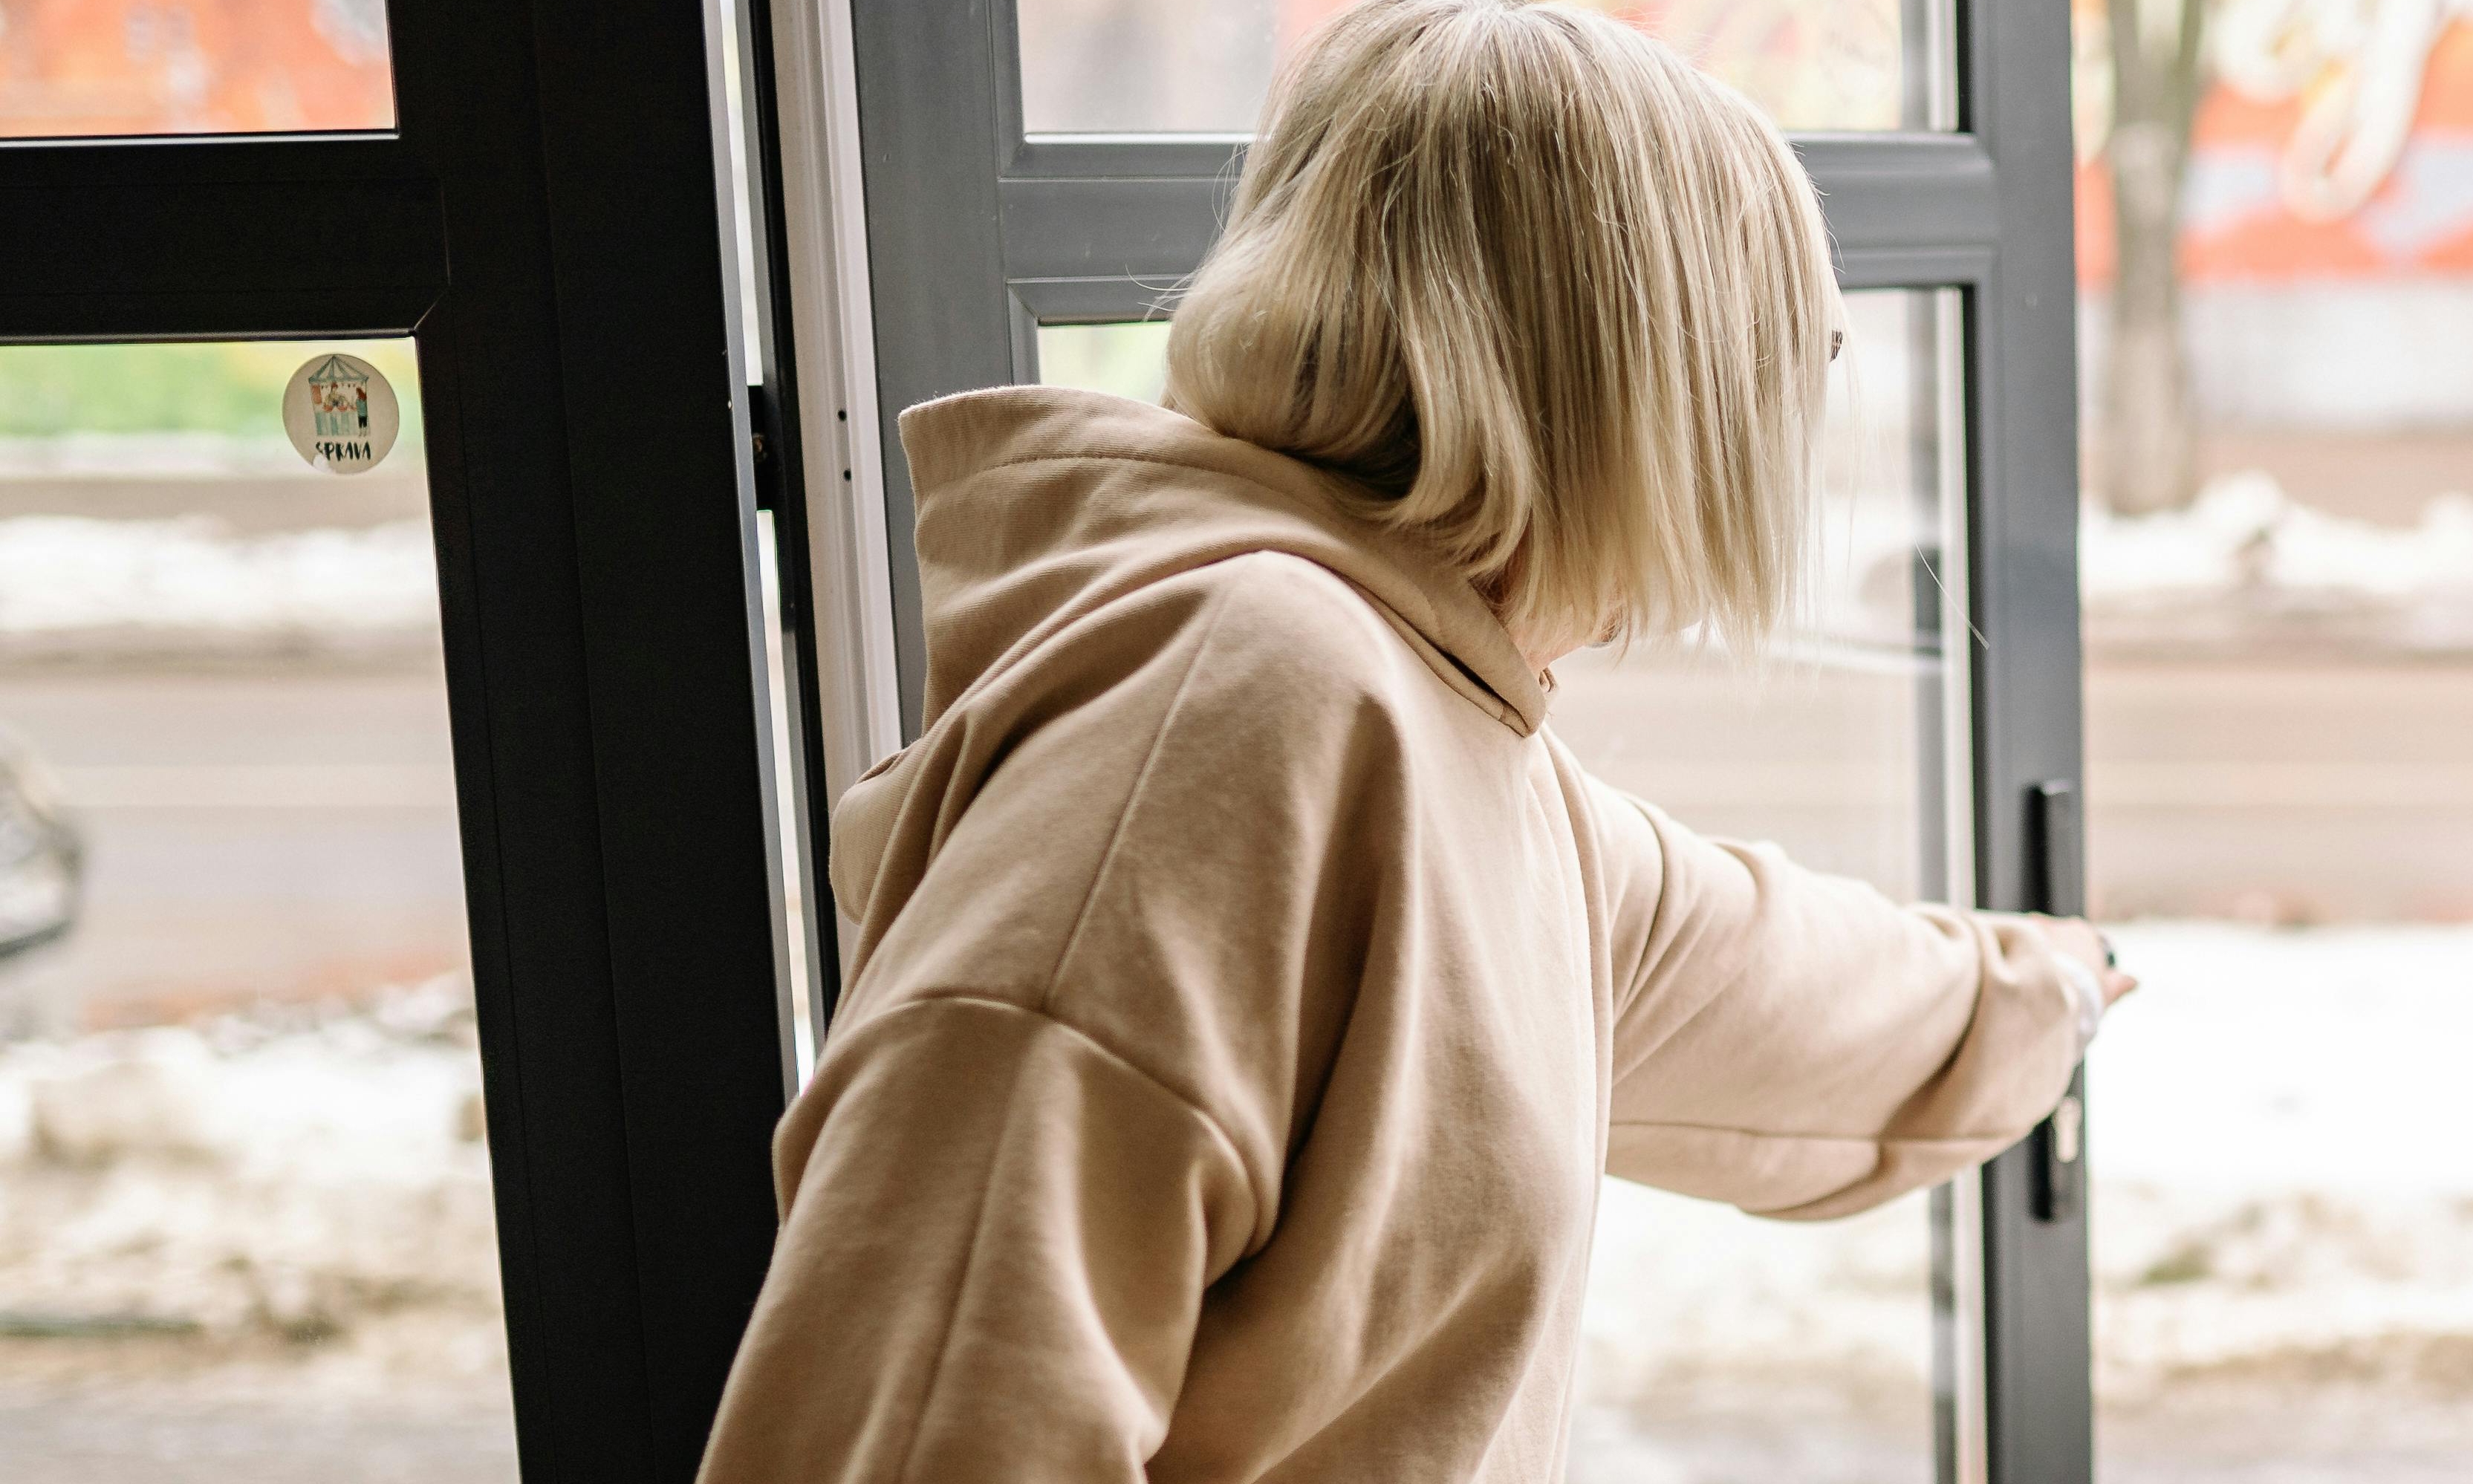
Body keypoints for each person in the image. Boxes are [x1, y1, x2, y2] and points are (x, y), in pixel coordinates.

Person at [698, 3, 2134, 1480]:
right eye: (1771, 370)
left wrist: (2052, 988)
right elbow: (926, 1409)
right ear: (1618, 386)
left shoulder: (1438, 726)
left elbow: (1773, 980)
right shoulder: (1249, 704)